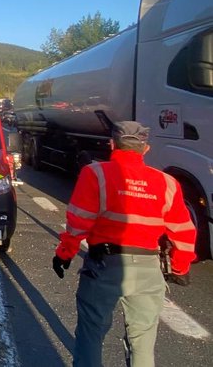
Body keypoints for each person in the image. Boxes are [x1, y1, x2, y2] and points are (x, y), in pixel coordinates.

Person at [53, 121, 196, 367]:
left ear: (111, 144)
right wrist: (180, 267)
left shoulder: (95, 173)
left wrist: (65, 254)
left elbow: (78, 223)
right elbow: (184, 231)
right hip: (148, 269)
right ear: (146, 149)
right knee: (142, 341)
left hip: (104, 267)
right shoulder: (167, 183)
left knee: (91, 334)